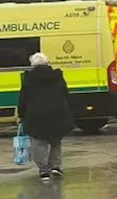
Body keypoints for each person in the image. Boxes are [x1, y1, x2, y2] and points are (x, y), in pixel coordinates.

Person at [16, 52, 74, 182]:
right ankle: (55, 167)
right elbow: (66, 94)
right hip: (57, 113)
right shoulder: (58, 76)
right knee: (55, 142)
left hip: (36, 115)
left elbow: (23, 99)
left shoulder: (29, 78)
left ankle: (44, 170)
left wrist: (21, 115)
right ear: (47, 63)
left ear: (33, 65)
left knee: (38, 143)